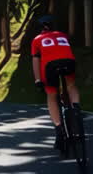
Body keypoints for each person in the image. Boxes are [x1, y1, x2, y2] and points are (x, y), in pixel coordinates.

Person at [31, 15, 82, 151]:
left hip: (50, 67)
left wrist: (38, 80)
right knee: (71, 85)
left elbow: (36, 60)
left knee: (52, 94)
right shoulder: (62, 35)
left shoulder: (37, 39)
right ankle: (76, 108)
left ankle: (59, 129)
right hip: (68, 62)